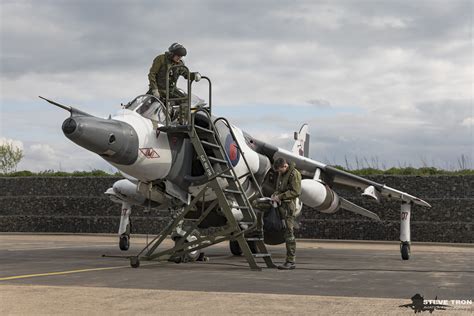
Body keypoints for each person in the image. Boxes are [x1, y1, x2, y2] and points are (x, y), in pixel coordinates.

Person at [271, 157, 302, 270]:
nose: (279, 172)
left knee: (289, 233)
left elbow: (296, 191)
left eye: (280, 170)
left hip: (288, 207)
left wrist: (280, 196)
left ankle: (290, 261)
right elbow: (279, 188)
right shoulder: (282, 174)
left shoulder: (294, 174)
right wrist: (275, 195)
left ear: (285, 166)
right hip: (280, 205)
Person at [147, 42, 188, 123]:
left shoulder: (180, 64)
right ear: (172, 53)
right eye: (178, 56)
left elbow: (186, 74)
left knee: (185, 100)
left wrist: (194, 76)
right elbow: (152, 74)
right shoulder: (161, 59)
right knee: (150, 107)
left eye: (181, 56)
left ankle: (181, 122)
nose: (179, 58)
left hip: (171, 91)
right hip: (158, 89)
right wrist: (155, 89)